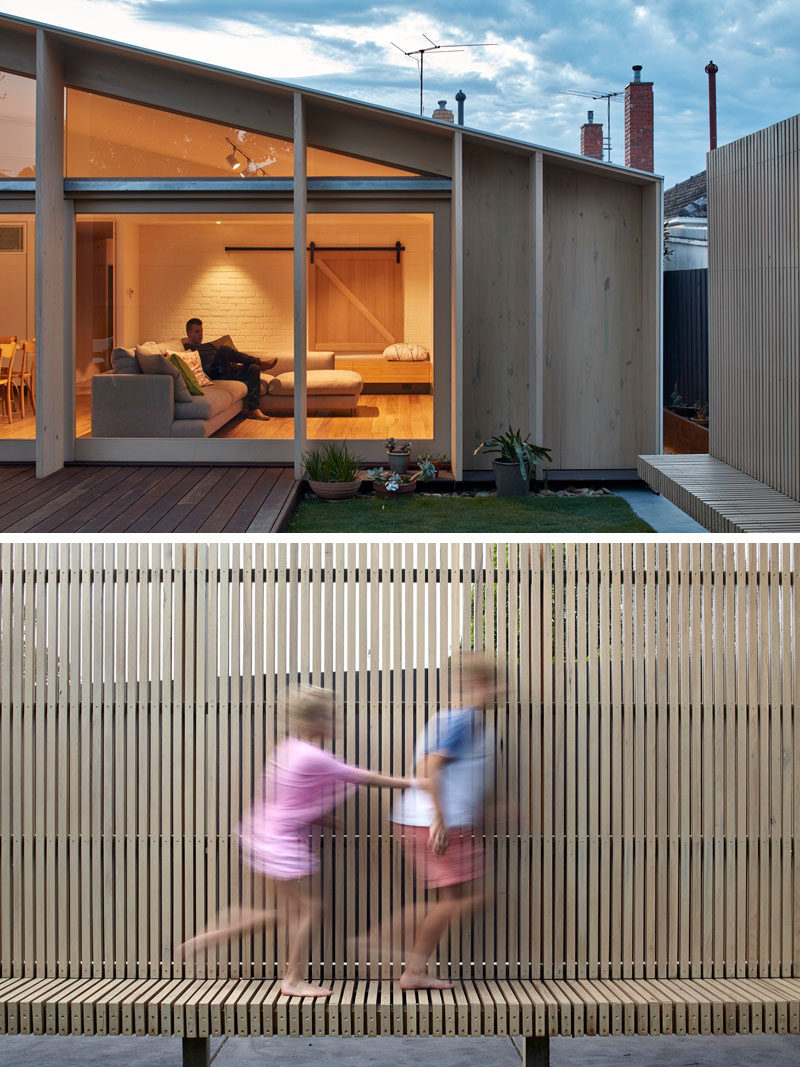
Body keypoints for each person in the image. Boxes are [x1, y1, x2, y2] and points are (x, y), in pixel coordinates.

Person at [179, 684, 411, 997]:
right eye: (331, 717)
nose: (336, 723)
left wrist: (324, 819)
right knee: (308, 910)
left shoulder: (287, 749)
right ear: (316, 721)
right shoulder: (313, 756)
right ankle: (291, 979)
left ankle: (222, 930)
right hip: (281, 843)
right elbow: (362, 777)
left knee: (284, 913)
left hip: (261, 835)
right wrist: (413, 782)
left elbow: (287, 798)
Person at [392, 654, 496, 989]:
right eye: (494, 683)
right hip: (436, 823)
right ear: (478, 684)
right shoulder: (462, 721)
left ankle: (410, 964)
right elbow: (430, 767)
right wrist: (440, 819)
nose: (500, 691)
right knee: (461, 899)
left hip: (439, 821)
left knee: (464, 897)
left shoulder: (464, 722)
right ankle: (399, 956)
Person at [183, 317, 277, 420]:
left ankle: (253, 410)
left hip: (224, 369)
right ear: (188, 333)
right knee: (224, 349)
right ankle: (260, 362)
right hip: (212, 372)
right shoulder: (185, 348)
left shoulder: (209, 345)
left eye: (201, 331)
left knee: (253, 368)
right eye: (197, 332)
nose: (201, 334)